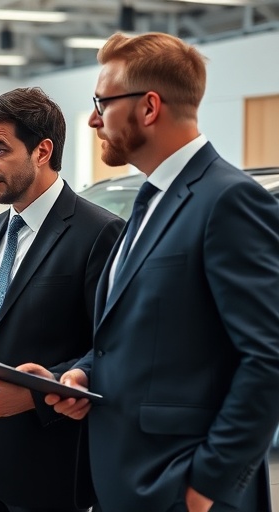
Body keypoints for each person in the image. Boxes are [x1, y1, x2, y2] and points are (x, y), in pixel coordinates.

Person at [46, 32, 279, 512]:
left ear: (149, 107)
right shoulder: (149, 200)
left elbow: (268, 357)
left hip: (181, 487)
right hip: (126, 480)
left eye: (101, 102)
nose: (92, 119)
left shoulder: (229, 200)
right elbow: (146, 335)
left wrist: (209, 484)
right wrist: (82, 374)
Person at [0, 87, 124, 512]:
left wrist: (36, 395)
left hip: (52, 462)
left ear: (42, 151)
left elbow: (112, 350)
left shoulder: (100, 233)